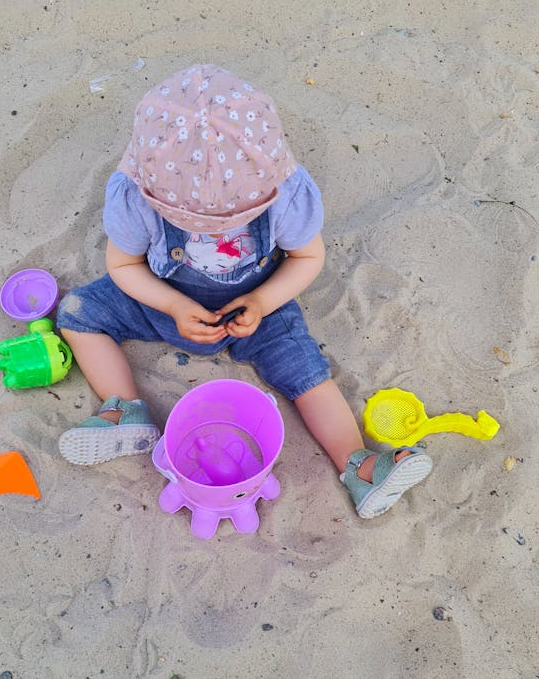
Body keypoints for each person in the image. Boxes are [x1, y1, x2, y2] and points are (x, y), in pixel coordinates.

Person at [55, 64, 432, 518]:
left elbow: (307, 258)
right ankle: (125, 410)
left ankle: (361, 466)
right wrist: (172, 303)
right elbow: (123, 265)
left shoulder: (286, 193)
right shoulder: (136, 195)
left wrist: (263, 301)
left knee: (308, 373)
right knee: (78, 313)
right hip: (159, 299)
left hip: (259, 309)